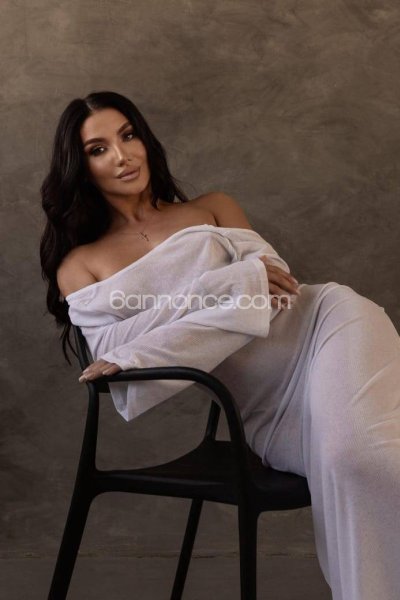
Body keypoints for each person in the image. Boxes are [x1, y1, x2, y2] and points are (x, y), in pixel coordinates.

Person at [40, 91, 400, 600]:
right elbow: (116, 351)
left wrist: (164, 332)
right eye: (98, 149)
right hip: (265, 407)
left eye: (128, 135)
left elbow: (274, 293)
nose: (122, 156)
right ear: (80, 167)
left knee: (367, 458)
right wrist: (227, 287)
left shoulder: (212, 208)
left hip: (327, 327)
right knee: (351, 461)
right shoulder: (80, 264)